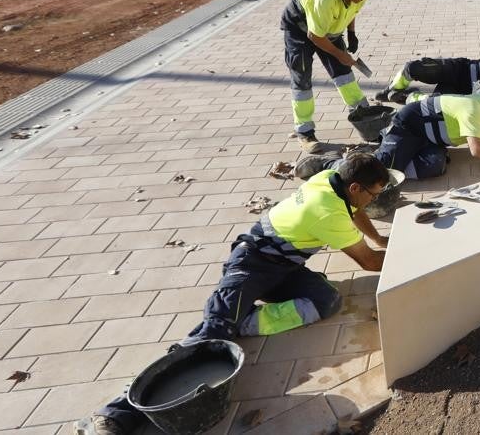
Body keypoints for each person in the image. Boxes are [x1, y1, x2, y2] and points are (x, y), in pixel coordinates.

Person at [75, 154, 391, 435]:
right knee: (213, 330)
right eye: (374, 194)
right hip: (250, 264)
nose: (373, 200)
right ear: (355, 188)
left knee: (327, 300)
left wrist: (379, 238)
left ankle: (244, 324)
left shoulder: (331, 178)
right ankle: (113, 415)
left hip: (283, 267)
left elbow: (354, 211)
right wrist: (408, 254)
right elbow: (367, 262)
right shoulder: (324, 211)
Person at [298, 88, 480, 192]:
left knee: (435, 166)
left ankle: (392, 159)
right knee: (380, 172)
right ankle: (330, 163)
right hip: (409, 126)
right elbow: (477, 149)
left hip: (430, 139)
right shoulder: (473, 109)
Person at [283, 0, 374, 154]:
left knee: (344, 73)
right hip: (300, 27)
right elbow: (315, 36)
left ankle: (362, 114)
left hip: (327, 27)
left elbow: (351, 11)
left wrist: (351, 33)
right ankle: (305, 131)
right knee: (302, 75)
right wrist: (341, 54)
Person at [375, 53, 480, 104]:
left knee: (435, 103)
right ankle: (393, 88)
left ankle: (406, 97)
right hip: (459, 69)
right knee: (415, 68)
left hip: (463, 91)